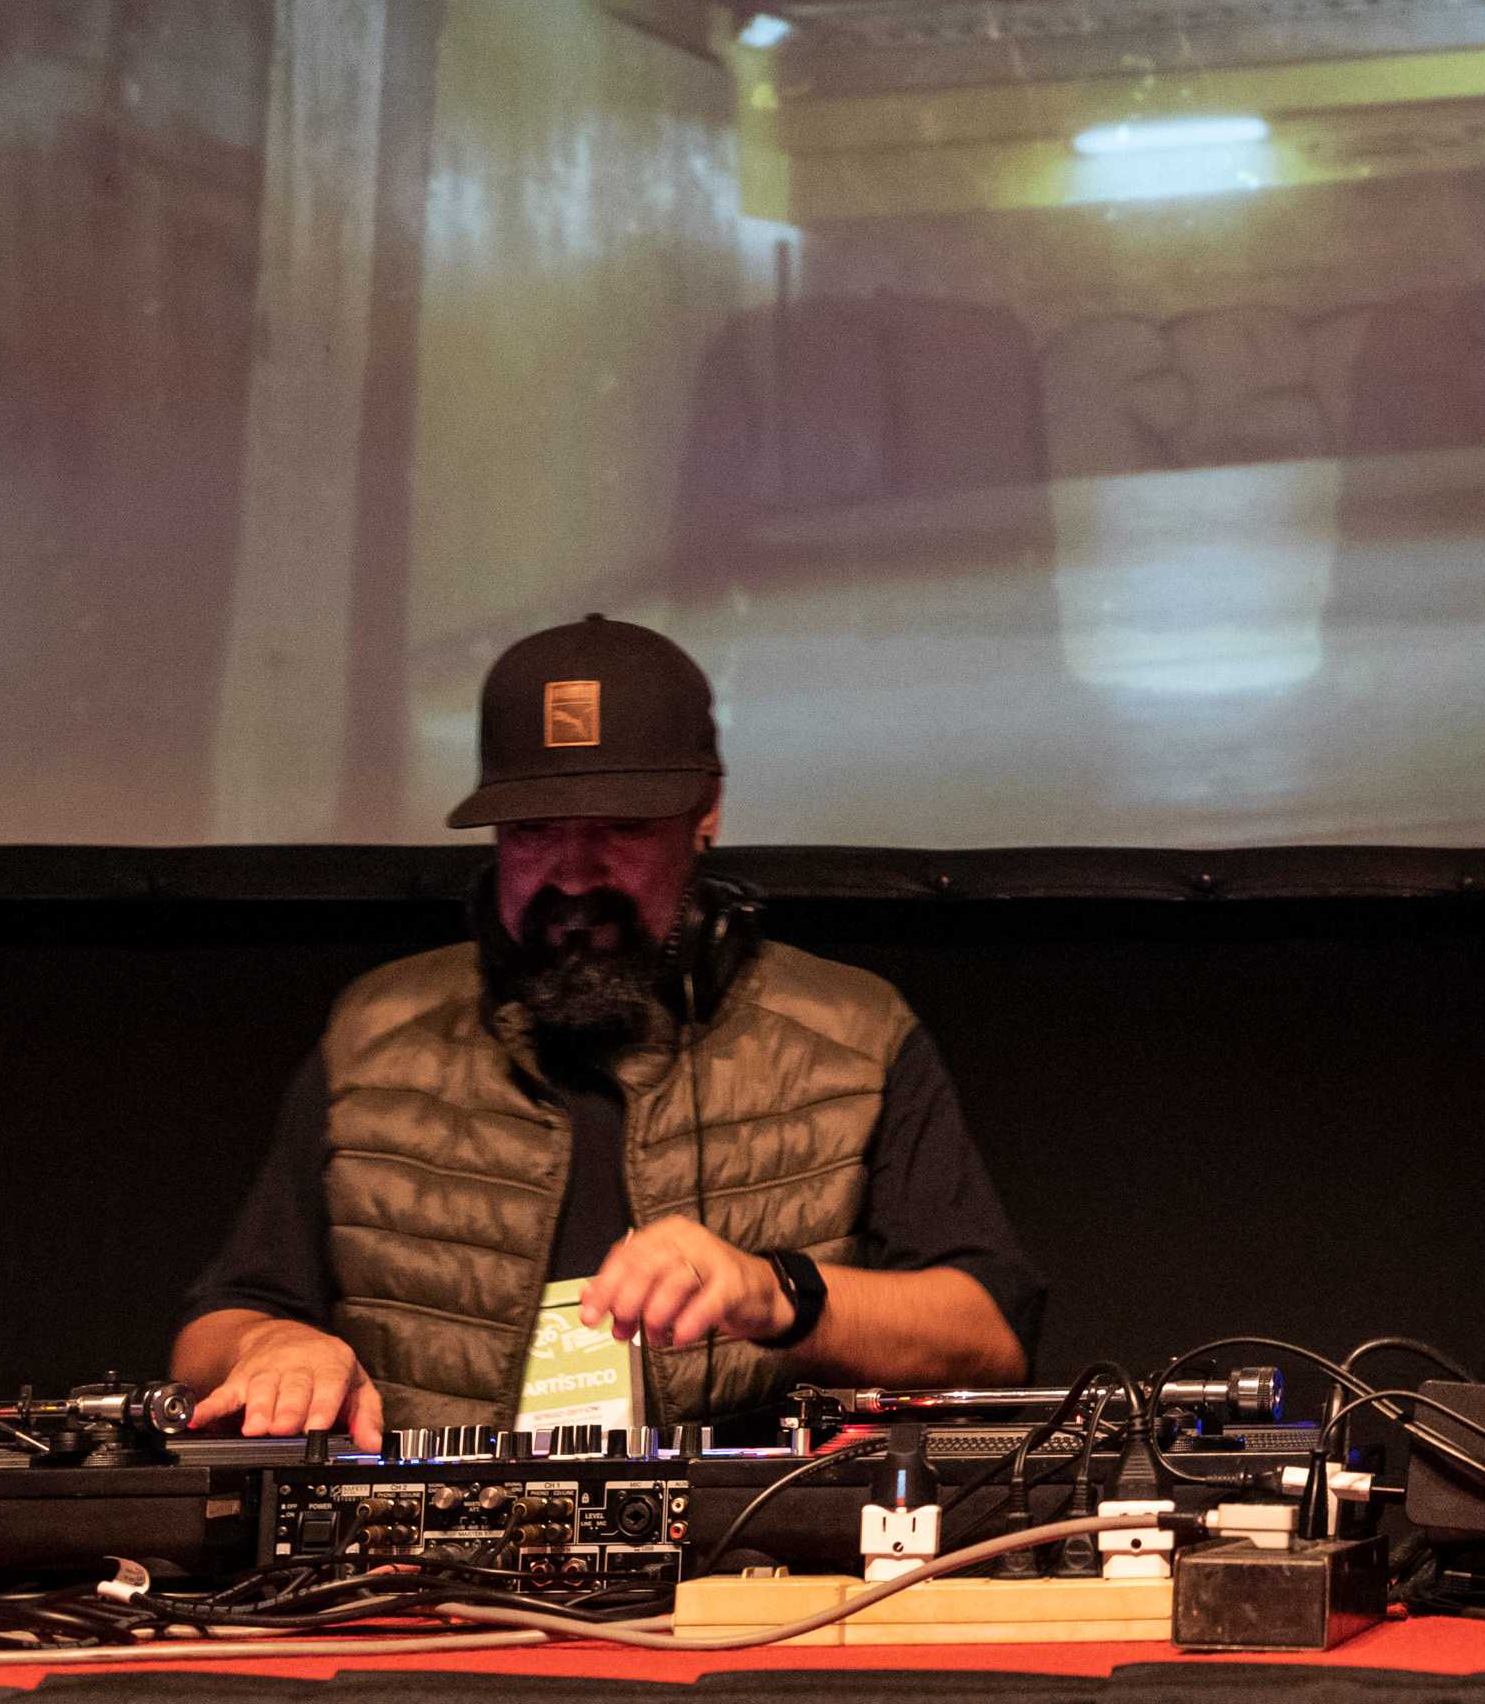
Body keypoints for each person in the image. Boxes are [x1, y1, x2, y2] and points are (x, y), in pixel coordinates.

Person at [172, 617, 1041, 1444]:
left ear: (707, 811)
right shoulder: (376, 1032)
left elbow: (990, 1334)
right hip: (432, 1544)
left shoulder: (854, 1033)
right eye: (533, 830)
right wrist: (270, 1345)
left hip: (749, 1545)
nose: (574, 873)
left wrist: (776, 1291)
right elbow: (217, 1325)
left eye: (623, 828)